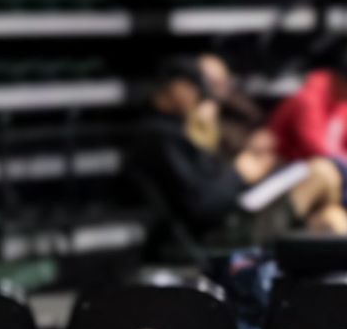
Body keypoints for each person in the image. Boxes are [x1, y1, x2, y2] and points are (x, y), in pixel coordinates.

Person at [130, 56, 347, 246]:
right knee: (323, 173)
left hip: (242, 207)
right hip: (221, 230)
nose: (201, 95)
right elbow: (202, 205)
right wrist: (239, 173)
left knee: (332, 217)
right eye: (197, 86)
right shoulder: (161, 136)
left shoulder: (184, 127)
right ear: (176, 87)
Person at [267, 47, 347, 173]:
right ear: (339, 77)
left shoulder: (341, 103)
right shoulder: (309, 96)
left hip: (329, 167)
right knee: (325, 172)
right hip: (287, 168)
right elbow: (314, 146)